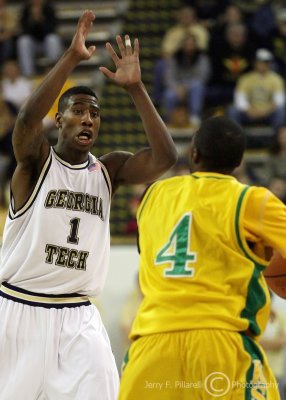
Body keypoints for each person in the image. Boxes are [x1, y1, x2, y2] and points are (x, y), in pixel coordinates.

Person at [0, 10, 177, 400]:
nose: (87, 119)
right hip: (18, 310)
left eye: (94, 114)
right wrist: (72, 58)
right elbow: (27, 121)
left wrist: (136, 90)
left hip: (79, 316)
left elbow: (165, 158)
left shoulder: (108, 169)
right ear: (59, 120)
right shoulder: (36, 163)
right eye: (78, 111)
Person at [118, 116, 286, 400]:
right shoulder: (252, 201)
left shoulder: (155, 194)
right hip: (220, 342)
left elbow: (149, 250)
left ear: (193, 153)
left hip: (151, 346)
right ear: (239, 162)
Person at [229, 48, 286, 130]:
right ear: (255, 62)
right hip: (249, 113)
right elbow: (239, 100)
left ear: (270, 63)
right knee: (233, 110)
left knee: (281, 112)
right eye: (260, 61)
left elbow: (279, 101)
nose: (262, 64)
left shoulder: (276, 79)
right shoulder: (246, 78)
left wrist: (264, 112)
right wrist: (250, 111)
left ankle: (277, 139)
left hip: (268, 113)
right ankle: (237, 138)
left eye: (265, 62)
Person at [16, 0, 63, 76]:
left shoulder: (49, 9)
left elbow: (52, 29)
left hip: (46, 42)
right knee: (23, 41)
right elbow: (24, 31)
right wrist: (32, 21)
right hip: (33, 43)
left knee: (53, 39)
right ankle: (28, 73)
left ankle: (54, 71)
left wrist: (41, 19)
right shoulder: (26, 10)